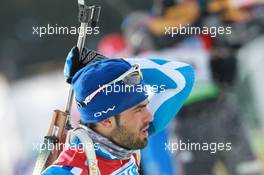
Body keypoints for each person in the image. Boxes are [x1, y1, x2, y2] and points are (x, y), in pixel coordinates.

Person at [41, 46, 194, 175]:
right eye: (138, 110)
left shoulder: (127, 140)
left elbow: (184, 76)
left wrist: (110, 65)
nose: (149, 116)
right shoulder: (70, 170)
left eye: (146, 106)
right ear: (106, 120)